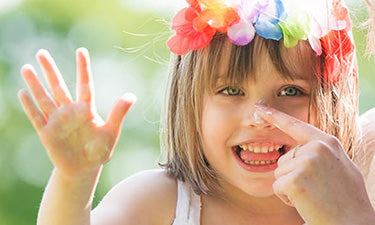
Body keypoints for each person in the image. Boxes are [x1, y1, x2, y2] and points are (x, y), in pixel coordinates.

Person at [18, 0, 375, 224]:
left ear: (331, 103)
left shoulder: (346, 200)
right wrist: (74, 179)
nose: (259, 115)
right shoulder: (160, 202)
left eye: (291, 91)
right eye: (231, 90)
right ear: (189, 103)